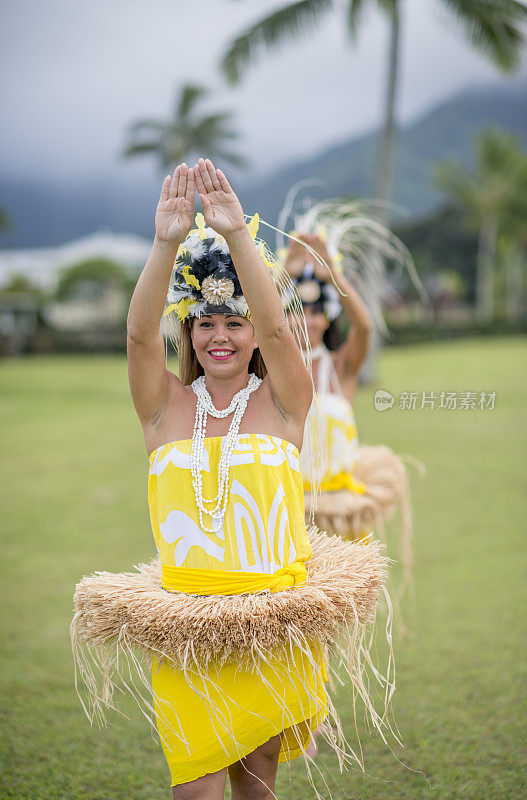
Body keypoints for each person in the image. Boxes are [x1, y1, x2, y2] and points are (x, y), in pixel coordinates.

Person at [70, 160, 394, 800]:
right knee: (196, 788)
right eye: (205, 323)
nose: (219, 336)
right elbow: (138, 336)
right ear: (188, 330)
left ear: (253, 335)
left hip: (270, 625)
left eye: (233, 323)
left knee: (257, 782)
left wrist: (237, 236)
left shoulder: (284, 402)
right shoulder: (163, 407)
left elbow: (280, 327)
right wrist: (166, 242)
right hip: (190, 633)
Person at [283, 227, 415, 605]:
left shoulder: (341, 367)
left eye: (316, 313)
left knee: (340, 607)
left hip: (340, 506)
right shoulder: (269, 368)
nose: (307, 321)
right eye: (298, 312)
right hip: (290, 506)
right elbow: (252, 318)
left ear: (327, 319)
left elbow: (366, 326)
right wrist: (283, 274)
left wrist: (332, 275)